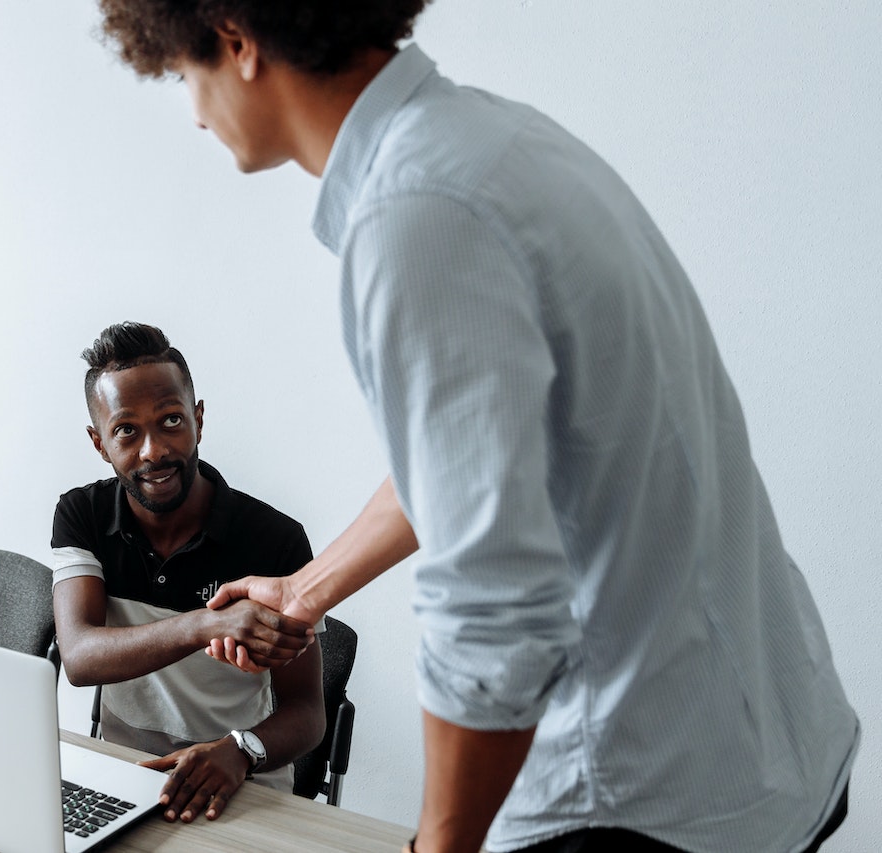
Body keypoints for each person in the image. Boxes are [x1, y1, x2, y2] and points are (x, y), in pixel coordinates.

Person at [92, 4, 860, 853]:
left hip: (636, 793)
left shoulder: (416, 213)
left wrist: (441, 845)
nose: (193, 112)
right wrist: (303, 593)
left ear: (235, 41)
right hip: (761, 735)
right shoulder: (493, 141)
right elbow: (472, 462)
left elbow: (492, 605)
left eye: (181, 75)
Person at [50, 321, 324, 824]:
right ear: (99, 442)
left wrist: (240, 750)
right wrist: (207, 624)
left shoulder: (276, 539)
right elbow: (81, 658)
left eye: (171, 420)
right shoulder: (81, 515)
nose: (153, 450)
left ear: (198, 418)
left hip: (243, 781)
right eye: (127, 430)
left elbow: (308, 712)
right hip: (130, 775)